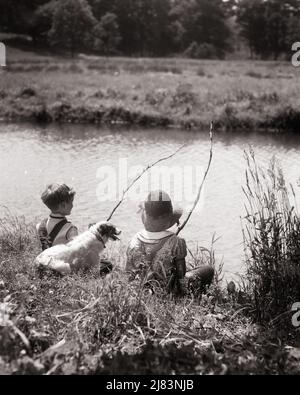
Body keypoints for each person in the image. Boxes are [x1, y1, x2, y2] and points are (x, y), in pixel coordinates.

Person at [126, 190, 214, 297]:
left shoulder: (134, 240)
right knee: (208, 270)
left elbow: (129, 274)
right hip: (168, 293)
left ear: (145, 216)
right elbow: (181, 275)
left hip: (142, 292)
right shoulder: (176, 242)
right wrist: (183, 292)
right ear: (168, 217)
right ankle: (198, 297)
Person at [36, 183, 78, 250]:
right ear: (63, 205)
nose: (72, 205)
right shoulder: (70, 230)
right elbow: (78, 252)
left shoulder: (39, 226)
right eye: (71, 202)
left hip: (46, 259)